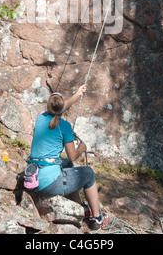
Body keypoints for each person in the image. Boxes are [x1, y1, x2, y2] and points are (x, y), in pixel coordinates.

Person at [27, 84, 105, 230]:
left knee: (67, 163)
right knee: (88, 173)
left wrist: (77, 94)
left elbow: (58, 108)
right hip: (49, 184)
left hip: (35, 175)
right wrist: (82, 148)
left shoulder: (41, 118)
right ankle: (97, 218)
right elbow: (74, 155)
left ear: (48, 106)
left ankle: (79, 206)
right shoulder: (64, 126)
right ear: (61, 108)